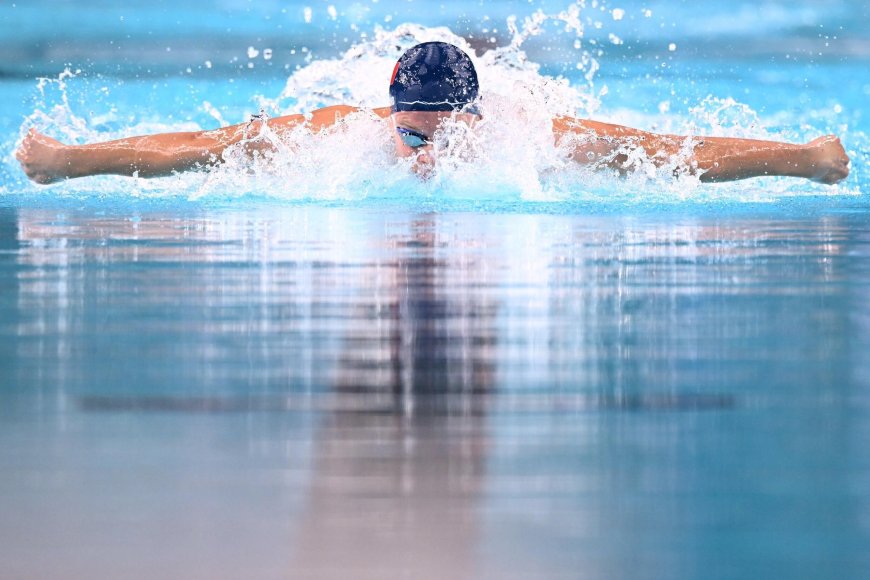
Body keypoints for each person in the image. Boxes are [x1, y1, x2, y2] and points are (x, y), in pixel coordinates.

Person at [15, 41, 850, 185]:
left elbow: (679, 153)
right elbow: (193, 149)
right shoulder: (337, 139)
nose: (427, 158)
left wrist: (807, 158)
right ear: (392, 115)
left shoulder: (536, 144)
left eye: (451, 138)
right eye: (416, 136)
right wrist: (60, 163)